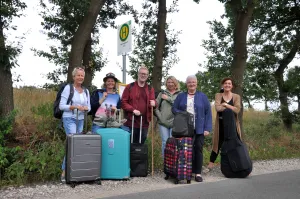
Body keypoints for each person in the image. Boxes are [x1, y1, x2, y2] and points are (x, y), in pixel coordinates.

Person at [172, 75, 212, 182]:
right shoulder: (181, 96)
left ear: (196, 83)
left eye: (193, 82)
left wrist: (207, 128)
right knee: (184, 150)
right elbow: (174, 108)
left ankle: (197, 173)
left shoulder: (202, 96)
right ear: (186, 84)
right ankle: (186, 172)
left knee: (198, 150)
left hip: (199, 129)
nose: (191, 84)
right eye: (189, 82)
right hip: (184, 129)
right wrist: (183, 114)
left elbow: (208, 113)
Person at [59, 67, 91, 183]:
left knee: (77, 146)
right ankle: (64, 173)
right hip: (69, 118)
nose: (80, 77)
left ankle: (75, 172)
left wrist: (85, 108)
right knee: (72, 145)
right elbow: (61, 106)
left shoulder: (86, 91)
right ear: (73, 77)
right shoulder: (68, 88)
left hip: (81, 119)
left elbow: (89, 107)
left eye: (82, 76)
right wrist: (74, 107)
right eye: (78, 75)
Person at [207, 77, 242, 169]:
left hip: (232, 125)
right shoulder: (218, 95)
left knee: (235, 144)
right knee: (217, 143)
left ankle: (240, 164)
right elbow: (218, 108)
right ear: (223, 85)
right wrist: (231, 108)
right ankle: (211, 164)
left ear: (232, 86)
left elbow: (237, 110)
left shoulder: (236, 96)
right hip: (221, 124)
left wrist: (225, 105)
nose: (227, 85)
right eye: (225, 83)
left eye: (229, 83)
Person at [121, 65, 157, 144]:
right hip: (131, 121)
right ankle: (129, 157)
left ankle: (139, 156)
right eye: (141, 73)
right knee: (130, 143)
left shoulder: (150, 89)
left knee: (142, 142)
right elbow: (123, 102)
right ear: (138, 74)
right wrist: (133, 110)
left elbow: (153, 102)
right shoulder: (129, 87)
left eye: (145, 74)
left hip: (144, 122)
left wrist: (154, 104)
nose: (143, 75)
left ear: (147, 76)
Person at [155, 76, 181, 156]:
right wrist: (160, 116)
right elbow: (155, 105)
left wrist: (168, 99)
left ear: (175, 83)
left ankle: (172, 162)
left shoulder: (180, 94)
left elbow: (179, 106)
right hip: (163, 122)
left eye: (172, 82)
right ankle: (165, 163)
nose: (170, 84)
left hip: (175, 122)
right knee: (165, 142)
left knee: (173, 143)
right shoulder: (162, 93)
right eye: (168, 82)